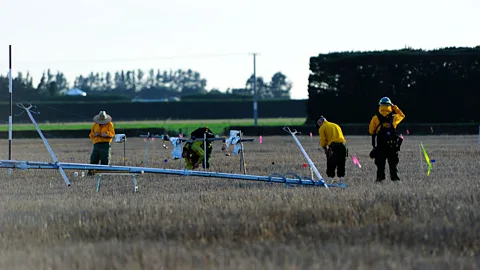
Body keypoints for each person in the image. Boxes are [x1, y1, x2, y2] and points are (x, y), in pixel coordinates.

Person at [368, 97, 405, 182]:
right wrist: (395, 107)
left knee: (380, 164)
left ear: (380, 106)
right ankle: (395, 179)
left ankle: (380, 179)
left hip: (380, 145)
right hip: (392, 145)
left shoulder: (375, 118)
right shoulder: (394, 117)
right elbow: (402, 115)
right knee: (393, 163)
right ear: (390, 106)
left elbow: (371, 131)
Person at [317, 116, 348, 183]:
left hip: (334, 146)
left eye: (318, 124)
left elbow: (322, 141)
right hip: (343, 146)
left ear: (320, 122)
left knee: (331, 163)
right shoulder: (335, 125)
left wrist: (325, 149)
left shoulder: (322, 128)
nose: (318, 126)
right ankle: (341, 180)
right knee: (341, 163)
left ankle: (330, 179)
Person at [87, 111, 115, 175]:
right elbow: (91, 135)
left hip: (105, 144)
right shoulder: (95, 125)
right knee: (93, 159)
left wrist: (107, 134)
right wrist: (95, 134)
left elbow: (112, 134)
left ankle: (103, 174)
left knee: (105, 159)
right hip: (97, 144)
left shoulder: (110, 124)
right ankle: (91, 173)